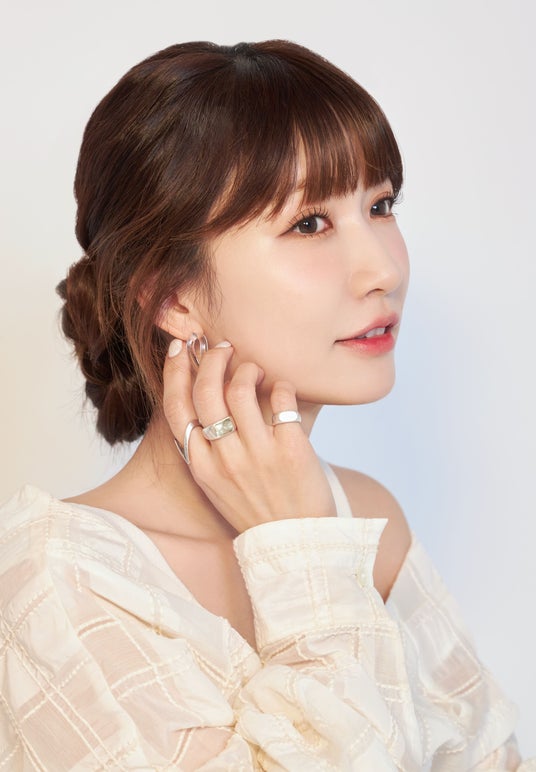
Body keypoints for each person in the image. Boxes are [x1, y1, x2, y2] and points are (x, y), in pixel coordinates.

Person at [0, 40, 533, 771]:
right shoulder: (55, 583)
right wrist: (303, 557)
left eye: (380, 206)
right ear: (171, 297)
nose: (384, 269)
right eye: (309, 224)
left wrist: (306, 535)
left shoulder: (364, 520)